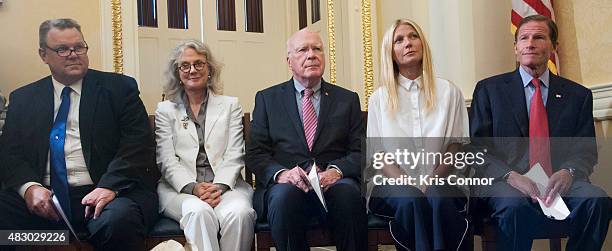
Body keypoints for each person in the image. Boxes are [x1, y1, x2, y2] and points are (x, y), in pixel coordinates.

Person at [0, 18, 160, 250]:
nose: (73, 54)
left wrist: (109, 187)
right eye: (62, 49)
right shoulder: (24, 99)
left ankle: (68, 239)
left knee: (117, 221)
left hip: (107, 193)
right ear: (43, 55)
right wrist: (29, 188)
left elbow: (137, 146)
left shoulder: (119, 89)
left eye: (79, 47)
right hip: (47, 199)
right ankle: (60, 241)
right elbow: (9, 154)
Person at [469, 14, 611, 251]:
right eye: (523, 38)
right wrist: (511, 176)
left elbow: (585, 151)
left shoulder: (578, 96)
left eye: (539, 37)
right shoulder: (489, 90)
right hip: (506, 182)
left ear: (554, 46)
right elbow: (477, 150)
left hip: (559, 183)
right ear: (515, 48)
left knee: (597, 201)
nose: (530, 43)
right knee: (513, 206)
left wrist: (569, 171)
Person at [246, 28, 367, 251]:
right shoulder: (267, 99)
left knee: (349, 194)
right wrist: (281, 174)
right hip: (288, 185)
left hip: (334, 183)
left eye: (317, 49)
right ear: (289, 61)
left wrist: (336, 171)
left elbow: (360, 151)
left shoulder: (347, 99)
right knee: (284, 198)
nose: (311, 54)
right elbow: (255, 154)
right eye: (303, 50)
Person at [366, 19, 470, 251]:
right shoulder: (379, 99)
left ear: (422, 44)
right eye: (399, 40)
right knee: (411, 199)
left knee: (437, 197)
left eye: (413, 37)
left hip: (442, 179)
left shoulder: (449, 92)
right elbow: (380, 156)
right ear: (390, 53)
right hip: (393, 182)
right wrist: (409, 183)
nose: (408, 43)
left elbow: (455, 147)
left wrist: (431, 179)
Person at [155, 40, 256, 251]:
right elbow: (166, 160)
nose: (192, 70)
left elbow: (235, 153)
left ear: (209, 68)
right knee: (198, 212)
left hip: (226, 187)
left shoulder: (230, 105)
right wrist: (194, 188)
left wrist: (217, 187)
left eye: (199, 64)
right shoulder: (165, 110)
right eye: (185, 65)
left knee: (240, 214)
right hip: (180, 190)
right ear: (177, 72)